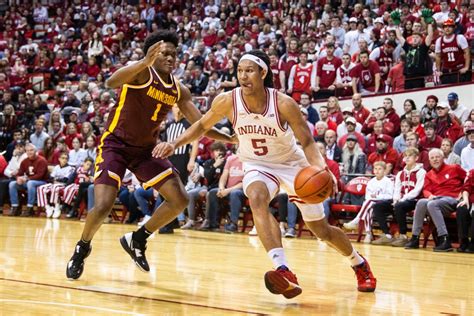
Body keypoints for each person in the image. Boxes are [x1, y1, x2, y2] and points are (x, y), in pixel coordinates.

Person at [153, 50, 377, 297]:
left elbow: (308, 141)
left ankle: (359, 263)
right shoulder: (227, 100)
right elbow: (201, 126)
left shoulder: (283, 103)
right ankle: (282, 269)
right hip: (257, 164)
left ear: (263, 73)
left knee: (321, 230)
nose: (243, 76)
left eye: (249, 70)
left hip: (293, 165)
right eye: (239, 71)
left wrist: (322, 168)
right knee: (257, 198)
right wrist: (174, 144)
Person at [65, 30, 232, 280]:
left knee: (179, 199)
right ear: (152, 54)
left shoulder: (178, 90)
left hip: (145, 150)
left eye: (174, 54)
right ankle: (82, 247)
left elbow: (202, 124)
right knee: (103, 205)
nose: (171, 58)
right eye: (165, 53)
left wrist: (230, 137)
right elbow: (111, 82)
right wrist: (144, 61)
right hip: (116, 145)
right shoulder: (142, 72)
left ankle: (138, 238)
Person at [405, 148, 466, 251]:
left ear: (443, 158)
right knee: (421, 202)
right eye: (432, 158)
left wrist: (464, 192)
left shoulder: (454, 168)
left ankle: (445, 239)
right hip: (436, 199)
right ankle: (415, 238)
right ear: (429, 161)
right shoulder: (429, 174)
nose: (435, 160)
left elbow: (468, 180)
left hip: (452, 199)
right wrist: (429, 196)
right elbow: (426, 190)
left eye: (437, 157)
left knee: (432, 204)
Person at [372, 148, 426, 246]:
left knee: (400, 206)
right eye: (405, 156)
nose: (407, 158)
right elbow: (397, 189)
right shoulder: (401, 173)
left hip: (415, 200)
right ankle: (387, 235)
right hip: (400, 200)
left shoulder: (421, 172)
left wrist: (401, 200)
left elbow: (417, 190)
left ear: (416, 158)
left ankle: (403, 236)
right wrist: (396, 199)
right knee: (378, 206)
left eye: (410, 155)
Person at [343, 161, 394, 243]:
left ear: (384, 171)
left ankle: (358, 222)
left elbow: (390, 196)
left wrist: (377, 197)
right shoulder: (371, 182)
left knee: (368, 204)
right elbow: (367, 196)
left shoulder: (388, 181)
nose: (377, 171)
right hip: (372, 203)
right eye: (375, 169)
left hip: (385, 204)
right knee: (368, 207)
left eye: (380, 169)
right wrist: (374, 198)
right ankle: (368, 233)